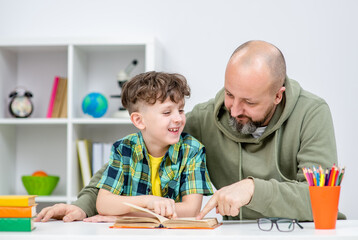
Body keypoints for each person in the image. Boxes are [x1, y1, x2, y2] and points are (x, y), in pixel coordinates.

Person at [35, 40, 345, 222]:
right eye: (230, 94)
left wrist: (252, 188)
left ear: (278, 95)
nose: (234, 109)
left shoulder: (311, 113)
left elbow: (320, 199)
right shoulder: (204, 118)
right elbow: (124, 162)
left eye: (249, 102)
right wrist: (81, 204)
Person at [35, 71, 213, 222]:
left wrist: (126, 215)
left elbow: (191, 210)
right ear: (139, 120)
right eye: (167, 112)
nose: (178, 118)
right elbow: (103, 203)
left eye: (180, 110)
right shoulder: (124, 149)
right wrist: (148, 202)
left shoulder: (192, 150)